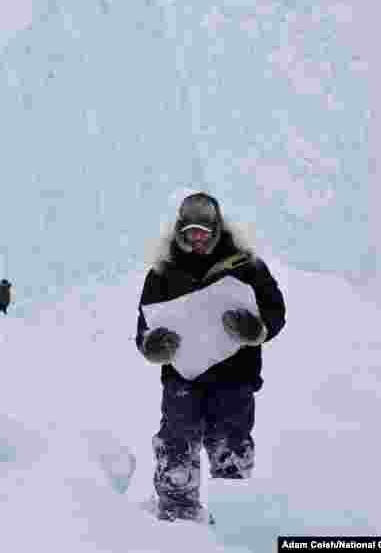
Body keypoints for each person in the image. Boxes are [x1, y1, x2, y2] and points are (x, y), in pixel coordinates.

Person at [135, 192, 286, 523]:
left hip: (235, 377)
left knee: (230, 448)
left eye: (203, 231)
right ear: (179, 231)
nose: (197, 238)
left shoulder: (247, 266)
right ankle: (177, 517)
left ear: (217, 229)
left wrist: (256, 329)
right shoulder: (162, 273)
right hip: (183, 379)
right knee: (177, 443)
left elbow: (276, 310)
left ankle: (233, 524)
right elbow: (144, 327)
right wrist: (153, 345)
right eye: (190, 232)